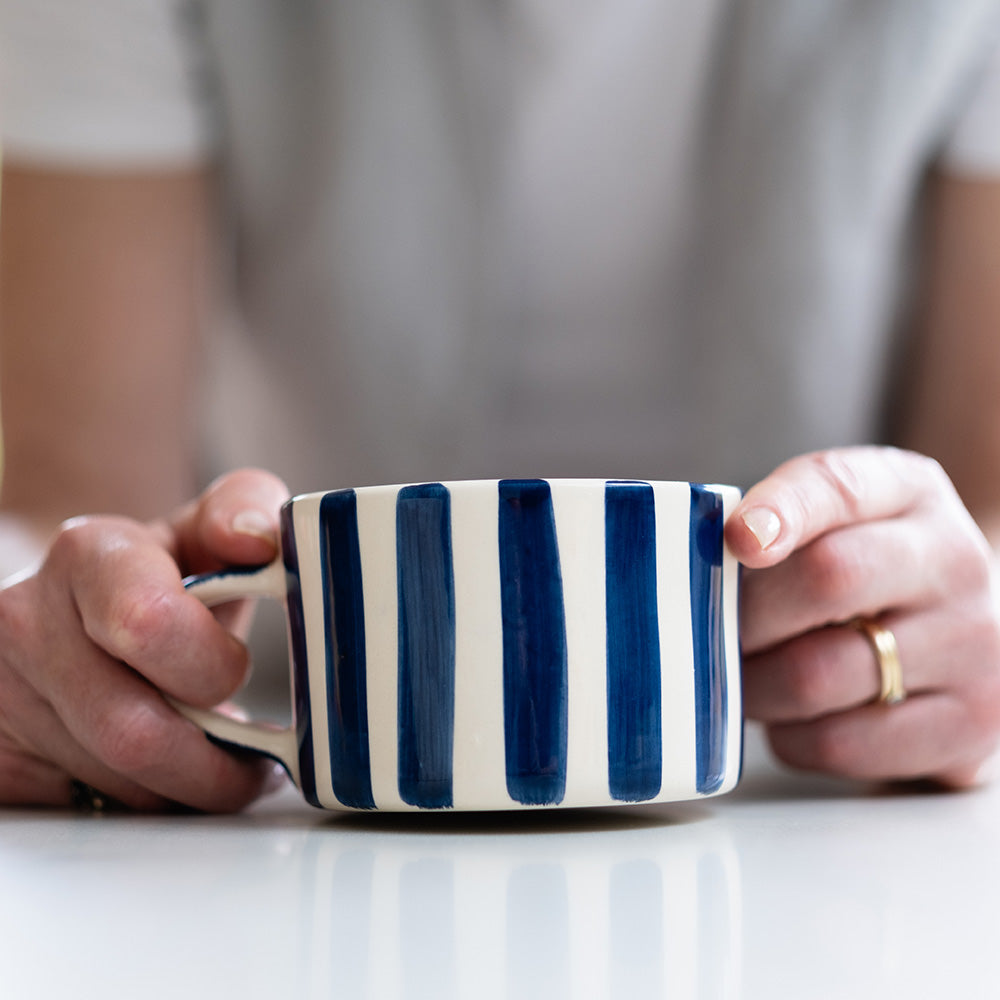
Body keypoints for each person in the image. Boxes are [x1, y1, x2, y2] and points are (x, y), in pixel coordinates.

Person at [2, 1, 1000, 812]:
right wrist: (79, 641)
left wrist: (964, 623)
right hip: (300, 765)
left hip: (798, 798)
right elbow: (72, 491)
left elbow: (983, 501)